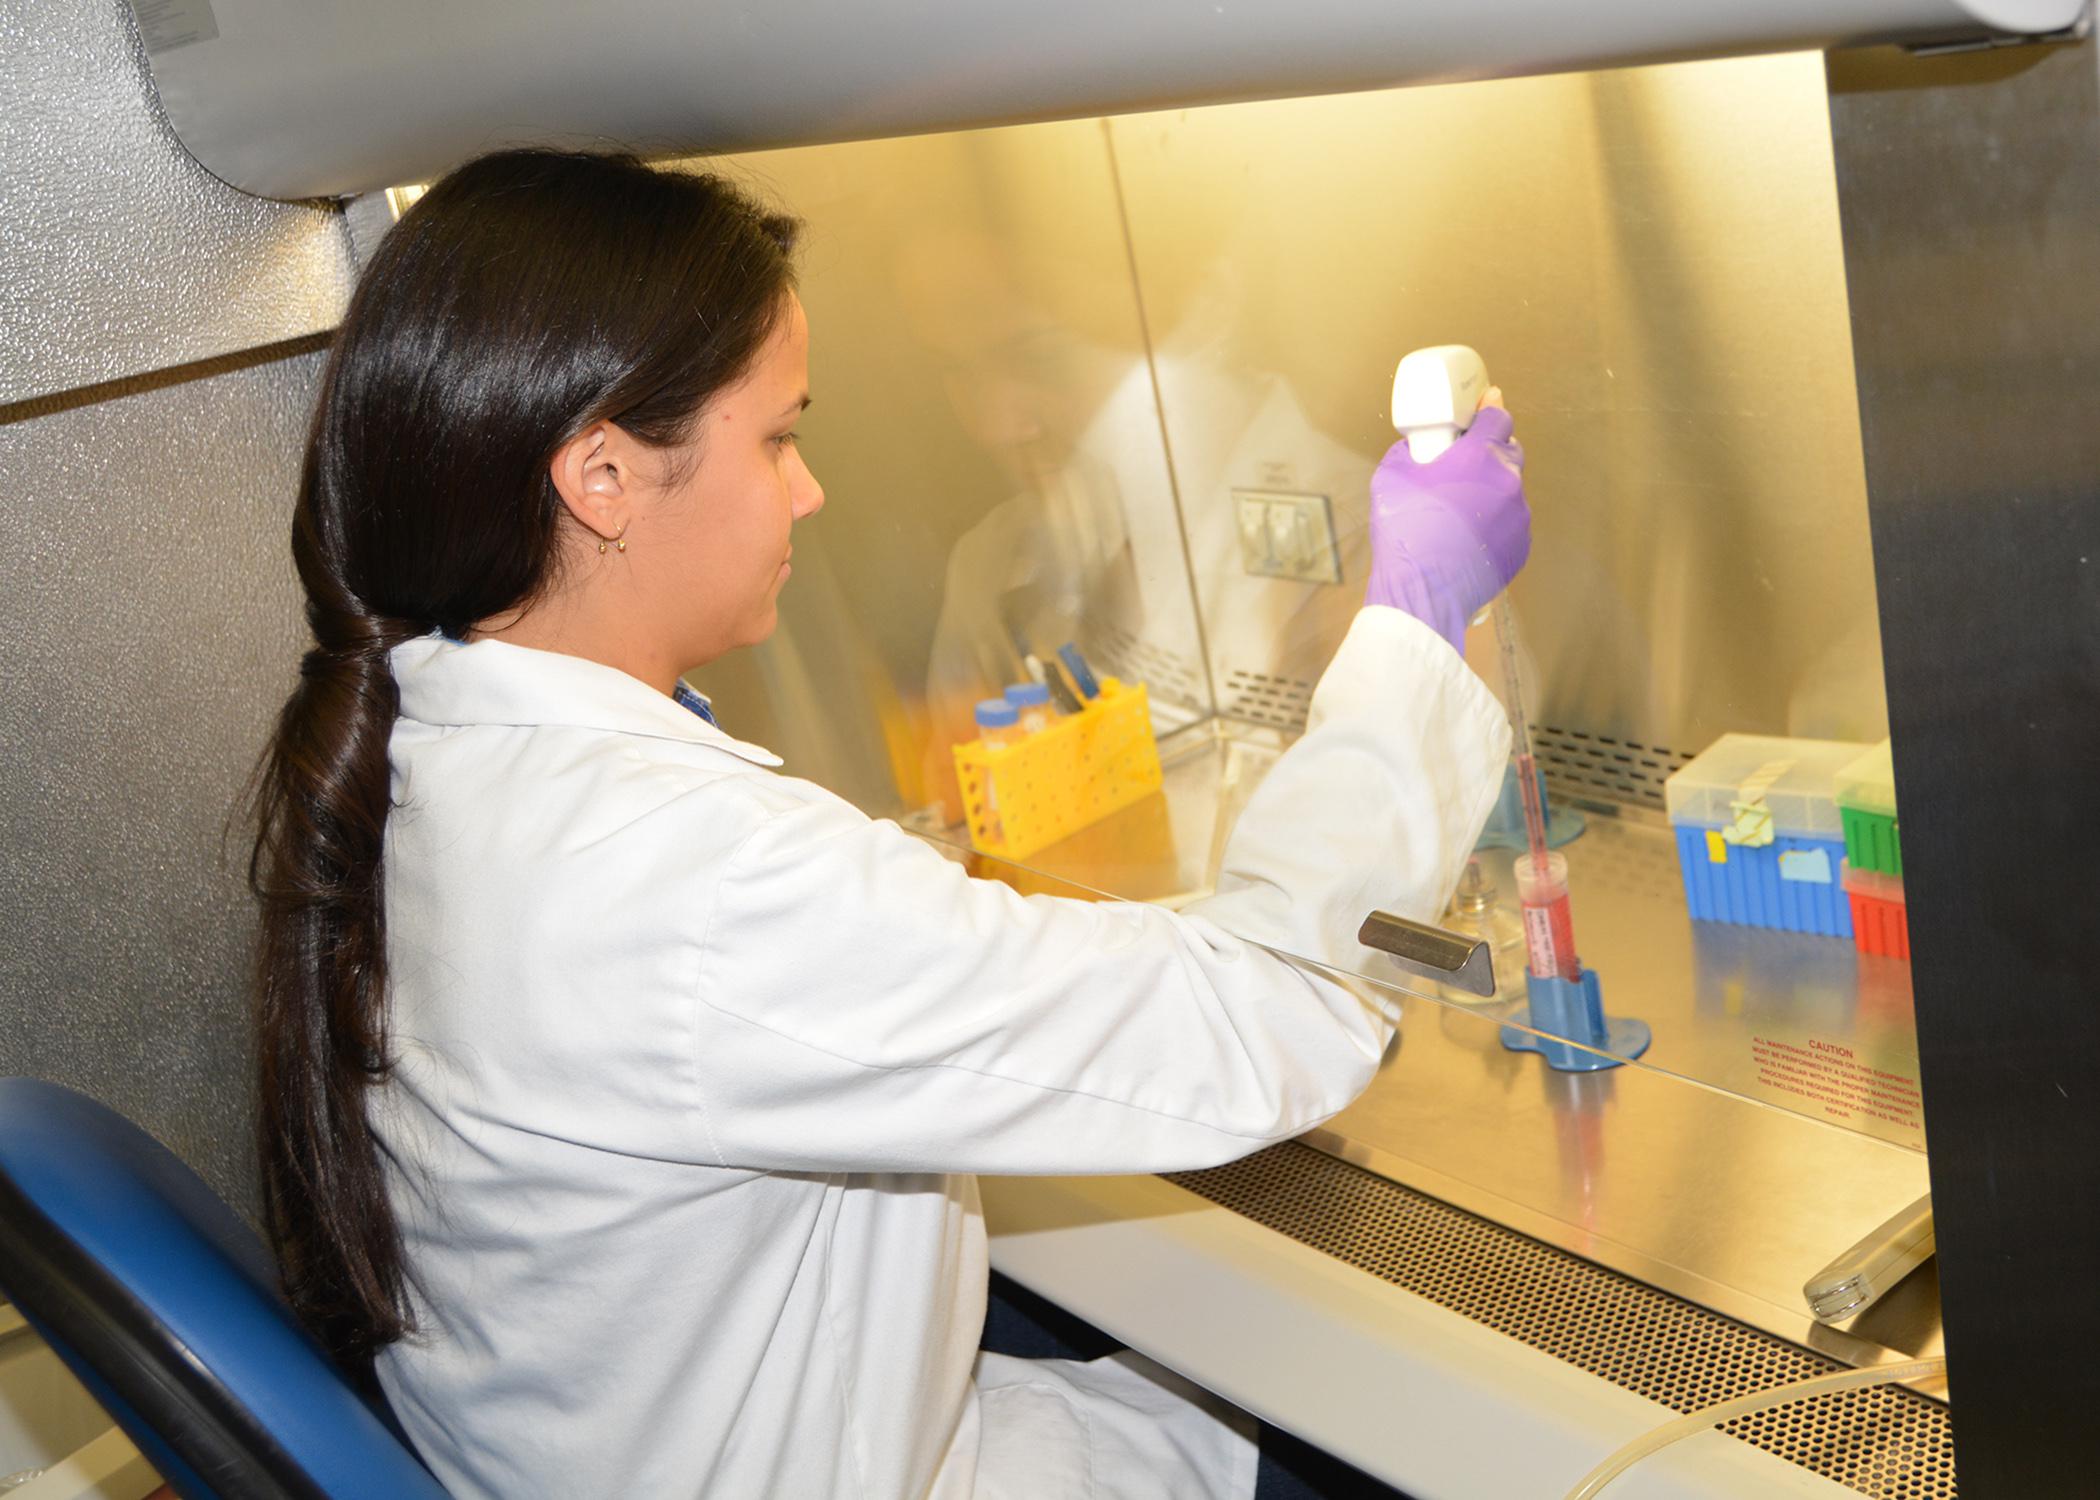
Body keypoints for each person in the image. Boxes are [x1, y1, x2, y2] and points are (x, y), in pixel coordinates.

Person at [249, 148, 1529, 1500]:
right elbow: (1275, 1009)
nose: (807, 491)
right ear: (603, 476)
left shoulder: (442, 761)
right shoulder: (682, 878)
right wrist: (1419, 626)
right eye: (778, 436)